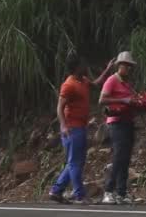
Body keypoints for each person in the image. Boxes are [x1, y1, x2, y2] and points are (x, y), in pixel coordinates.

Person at [49, 52, 114, 204]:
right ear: (77, 67)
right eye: (83, 64)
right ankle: (80, 195)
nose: (85, 66)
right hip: (72, 128)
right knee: (75, 163)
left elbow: (96, 84)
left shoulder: (83, 80)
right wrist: (64, 126)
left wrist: (108, 69)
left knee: (74, 162)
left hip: (81, 127)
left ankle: (56, 190)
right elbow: (59, 108)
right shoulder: (69, 84)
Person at [99, 51, 140, 205]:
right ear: (119, 65)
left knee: (126, 158)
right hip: (116, 122)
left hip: (128, 122)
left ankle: (121, 192)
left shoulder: (127, 83)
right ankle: (108, 191)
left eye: (130, 66)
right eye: (126, 66)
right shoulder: (112, 80)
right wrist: (122, 99)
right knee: (119, 157)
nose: (129, 69)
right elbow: (102, 100)